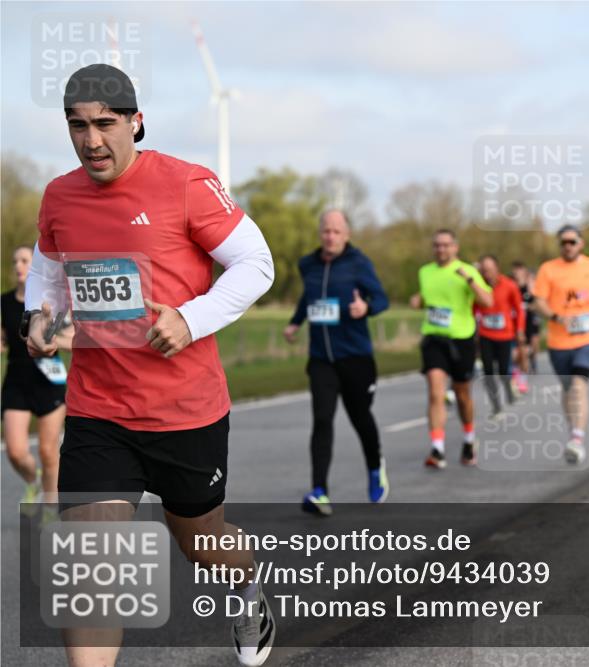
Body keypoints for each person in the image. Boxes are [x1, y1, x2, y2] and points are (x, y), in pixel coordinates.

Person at [24, 64, 276, 666]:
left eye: (105, 124)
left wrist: (190, 318)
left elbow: (256, 263)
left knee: (202, 546)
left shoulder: (187, 183)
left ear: (136, 122)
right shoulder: (60, 196)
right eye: (78, 126)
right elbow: (47, 273)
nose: (91, 140)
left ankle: (246, 589)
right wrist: (39, 318)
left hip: (185, 411)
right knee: (89, 564)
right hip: (98, 412)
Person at [284, 210, 390, 513]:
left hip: (355, 357)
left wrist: (365, 308)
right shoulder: (308, 264)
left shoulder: (359, 263)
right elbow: (309, 297)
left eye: (336, 231)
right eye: (326, 231)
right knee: (322, 420)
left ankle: (375, 466)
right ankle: (319, 491)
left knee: (360, 417)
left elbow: (381, 299)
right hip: (321, 359)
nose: (330, 236)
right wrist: (295, 322)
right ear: (320, 233)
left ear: (347, 235)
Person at [410, 230, 492, 469]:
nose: (441, 249)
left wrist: (469, 280)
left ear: (455, 247)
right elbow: (429, 297)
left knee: (462, 395)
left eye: (446, 245)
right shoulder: (425, 271)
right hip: (434, 338)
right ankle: (437, 449)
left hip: (461, 339)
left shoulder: (467, 271)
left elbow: (487, 301)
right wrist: (418, 300)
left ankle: (469, 439)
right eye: (437, 245)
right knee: (435, 393)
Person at [532, 225, 589, 463]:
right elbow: (539, 301)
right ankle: (574, 430)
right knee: (568, 389)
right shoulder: (548, 269)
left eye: (572, 242)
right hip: (559, 341)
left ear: (581, 243)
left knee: (579, 383)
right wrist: (556, 317)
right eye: (564, 242)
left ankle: (577, 438)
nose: (568, 246)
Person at [2, 246, 73, 516]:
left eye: (24, 260)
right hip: (16, 380)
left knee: (47, 451)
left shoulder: (54, 302)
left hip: (49, 379)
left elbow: (74, 338)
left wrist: (54, 340)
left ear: (35, 266)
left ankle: (50, 508)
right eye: (15, 261)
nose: (18, 266)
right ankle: (33, 482)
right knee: (16, 451)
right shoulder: (4, 302)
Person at [474, 255, 524, 418]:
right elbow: (472, 308)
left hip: (505, 334)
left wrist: (520, 330)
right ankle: (496, 405)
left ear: (497, 269)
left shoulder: (509, 285)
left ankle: (509, 388)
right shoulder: (478, 287)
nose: (486, 274)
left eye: (489, 270)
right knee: (488, 371)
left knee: (503, 369)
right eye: (483, 271)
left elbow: (519, 309)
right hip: (485, 334)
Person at [511, 261, 540, 391]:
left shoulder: (529, 288)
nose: (517, 274)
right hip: (514, 323)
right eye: (515, 271)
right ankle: (517, 374)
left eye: (519, 271)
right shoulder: (511, 287)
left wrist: (527, 306)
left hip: (528, 322)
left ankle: (523, 376)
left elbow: (537, 303)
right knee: (515, 353)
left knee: (527, 350)